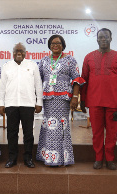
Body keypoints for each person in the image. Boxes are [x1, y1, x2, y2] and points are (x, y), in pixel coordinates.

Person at [81, 28, 117, 170]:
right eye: (101, 37)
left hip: (113, 103)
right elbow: (84, 79)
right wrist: (83, 100)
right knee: (96, 133)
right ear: (97, 39)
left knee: (112, 133)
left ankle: (109, 159)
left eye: (106, 37)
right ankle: (98, 158)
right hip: (94, 102)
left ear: (111, 38)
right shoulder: (89, 57)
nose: (103, 39)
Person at [36, 35, 85, 167]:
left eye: (58, 43)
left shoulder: (70, 60)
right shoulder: (44, 60)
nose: (55, 45)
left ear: (63, 45)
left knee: (60, 126)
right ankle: (48, 156)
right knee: (48, 125)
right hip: (47, 98)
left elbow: (76, 80)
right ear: (49, 46)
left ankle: (60, 158)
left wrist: (75, 97)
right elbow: (37, 80)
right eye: (52, 43)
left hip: (63, 99)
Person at [0, 43, 43, 168]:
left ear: (25, 52)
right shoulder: (6, 66)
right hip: (11, 104)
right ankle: (12, 158)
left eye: (21, 51)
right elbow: (2, 87)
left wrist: (39, 102)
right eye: (16, 51)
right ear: (12, 52)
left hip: (28, 104)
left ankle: (28, 158)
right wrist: (1, 103)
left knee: (28, 133)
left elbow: (38, 85)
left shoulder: (32, 65)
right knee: (12, 133)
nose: (19, 53)